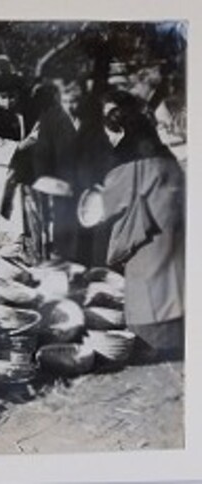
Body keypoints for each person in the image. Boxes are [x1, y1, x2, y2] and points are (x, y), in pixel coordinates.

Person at [78, 90, 185, 361]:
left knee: (147, 285)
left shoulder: (129, 164)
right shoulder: (164, 154)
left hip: (151, 242)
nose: (110, 139)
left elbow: (106, 205)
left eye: (111, 134)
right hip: (174, 231)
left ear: (122, 131)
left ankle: (152, 343)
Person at [32, 78, 111, 264]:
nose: (70, 106)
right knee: (66, 247)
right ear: (59, 98)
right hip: (64, 193)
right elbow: (41, 158)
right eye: (66, 101)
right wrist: (51, 183)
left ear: (83, 98)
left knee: (93, 245)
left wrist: (103, 186)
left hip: (92, 193)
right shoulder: (50, 119)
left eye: (75, 101)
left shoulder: (96, 119)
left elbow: (106, 154)